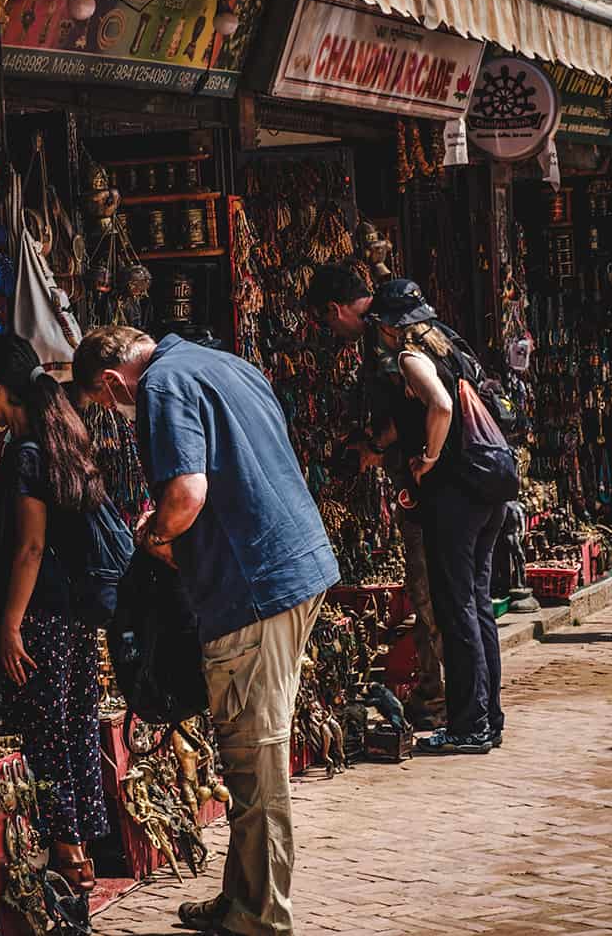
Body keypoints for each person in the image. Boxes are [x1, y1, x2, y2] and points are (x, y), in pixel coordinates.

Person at [74, 326, 339, 936]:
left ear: (114, 381)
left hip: (253, 588)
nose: (115, 413)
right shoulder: (225, 364)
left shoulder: (163, 385)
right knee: (250, 748)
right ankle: (240, 898)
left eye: (107, 403)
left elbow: (187, 493)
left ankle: (262, 913)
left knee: (254, 759)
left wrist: (155, 536)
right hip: (293, 569)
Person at [0, 333, 109, 893]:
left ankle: (67, 854)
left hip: (43, 619)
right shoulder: (64, 440)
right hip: (74, 617)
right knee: (74, 728)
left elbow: (29, 547)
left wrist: (9, 624)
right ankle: (80, 852)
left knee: (47, 734)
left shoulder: (27, 454)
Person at [366, 279, 505, 755]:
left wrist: (428, 456)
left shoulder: (410, 356)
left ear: (388, 326)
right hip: (487, 490)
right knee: (478, 603)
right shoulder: (452, 346)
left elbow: (441, 406)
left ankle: (469, 725)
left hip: (456, 495)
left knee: (457, 607)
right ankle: (489, 718)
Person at [308, 263, 445, 730]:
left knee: (430, 590)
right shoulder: (405, 326)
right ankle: (451, 692)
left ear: (336, 309)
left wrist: (377, 447)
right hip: (442, 483)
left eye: (328, 321)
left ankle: (438, 695)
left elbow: (408, 412)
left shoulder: (386, 339)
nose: (333, 331)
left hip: (426, 481)